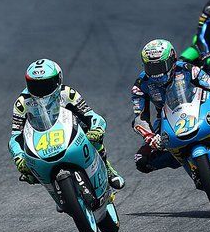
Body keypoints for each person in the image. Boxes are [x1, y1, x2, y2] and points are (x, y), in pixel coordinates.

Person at [131, 39, 210, 175]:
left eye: (161, 66)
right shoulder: (141, 84)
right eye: (151, 68)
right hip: (166, 118)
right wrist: (150, 137)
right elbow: (139, 117)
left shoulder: (188, 69)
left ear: (172, 60)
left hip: (201, 106)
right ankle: (185, 160)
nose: (157, 73)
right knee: (141, 161)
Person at [9, 59, 125, 189]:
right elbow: (15, 136)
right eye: (35, 85)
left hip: (71, 131)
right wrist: (19, 158)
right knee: (27, 172)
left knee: (93, 135)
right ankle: (55, 189)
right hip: (41, 140)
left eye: (46, 84)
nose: (41, 90)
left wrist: (97, 129)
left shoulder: (67, 93)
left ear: (58, 79)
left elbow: (91, 115)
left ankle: (106, 167)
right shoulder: (22, 103)